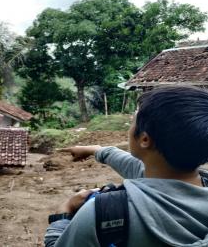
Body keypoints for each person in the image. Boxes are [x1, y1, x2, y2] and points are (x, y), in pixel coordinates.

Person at [44, 86, 208, 247]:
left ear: (144, 139)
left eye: (133, 122)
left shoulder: (103, 213)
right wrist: (97, 150)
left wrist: (63, 214)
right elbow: (141, 168)